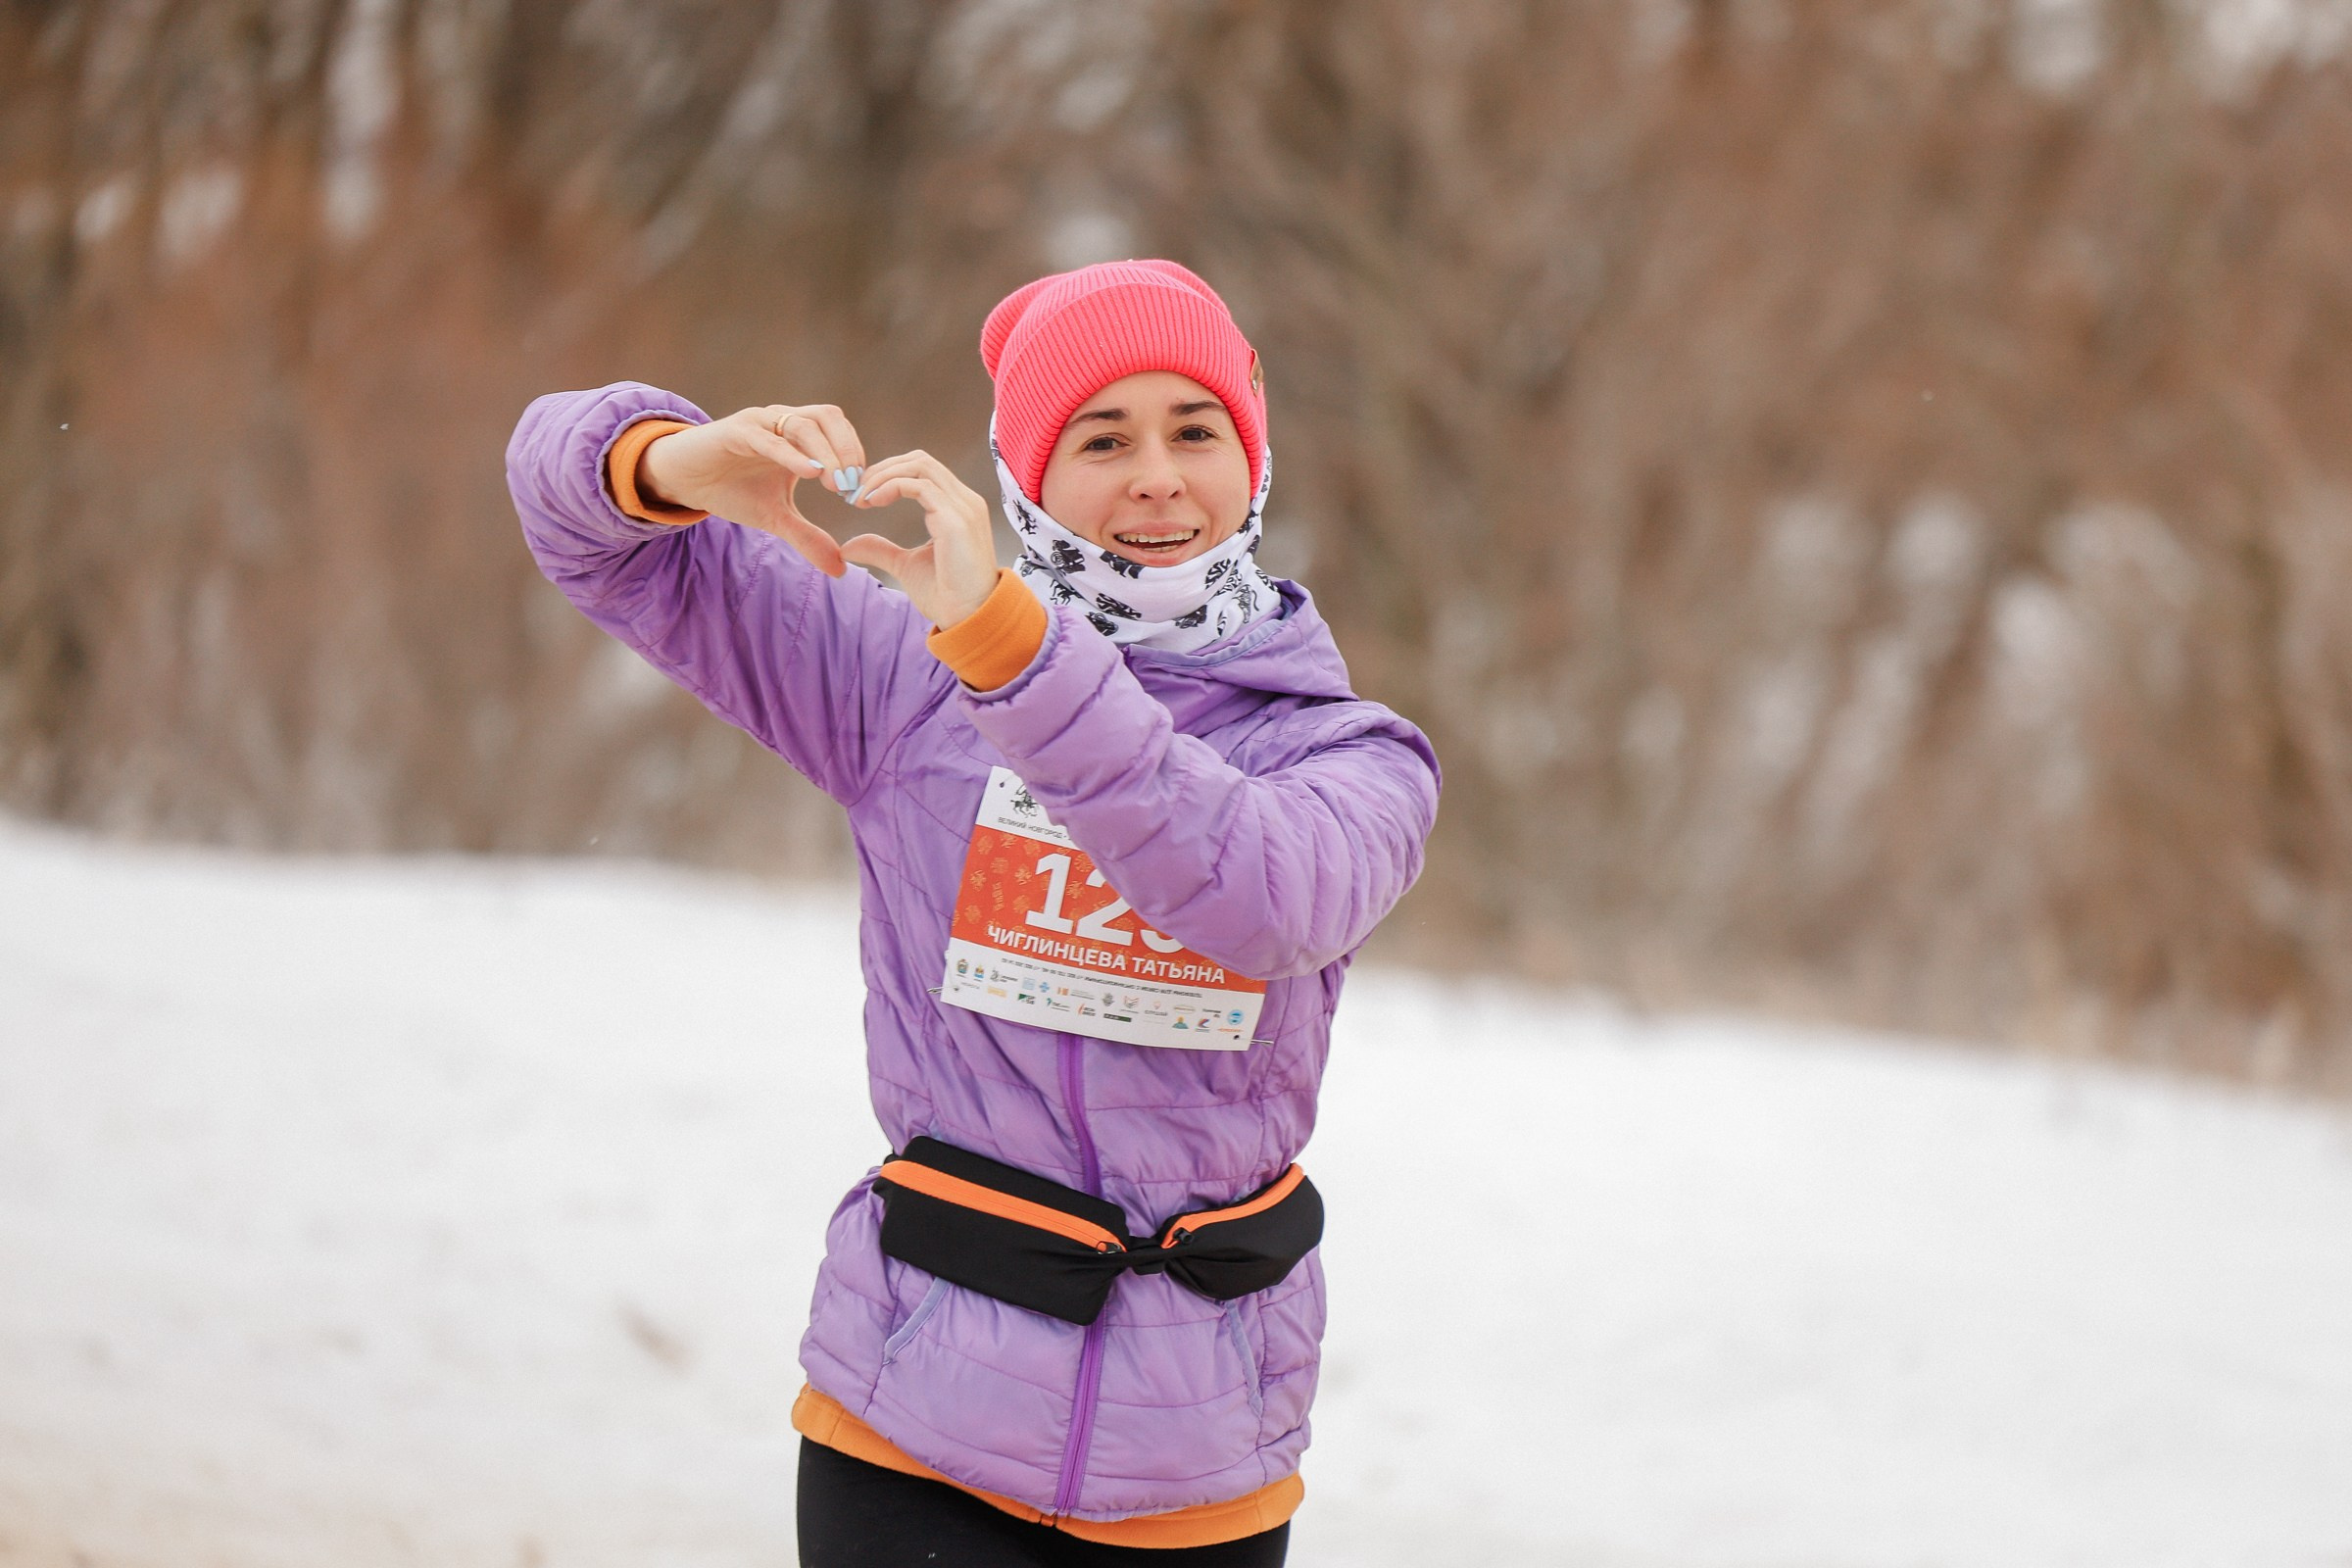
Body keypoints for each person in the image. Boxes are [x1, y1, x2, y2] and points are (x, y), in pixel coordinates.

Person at [507, 260, 1441, 1566]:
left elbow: (1264, 898)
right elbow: (575, 522)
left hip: (1200, 1470)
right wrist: (662, 465)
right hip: (911, 1441)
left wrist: (1014, 650)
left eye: (1196, 431)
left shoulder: (1348, 754)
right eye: (1101, 441)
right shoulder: (903, 681)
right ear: (1026, 477)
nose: (1158, 477)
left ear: (1254, 454)